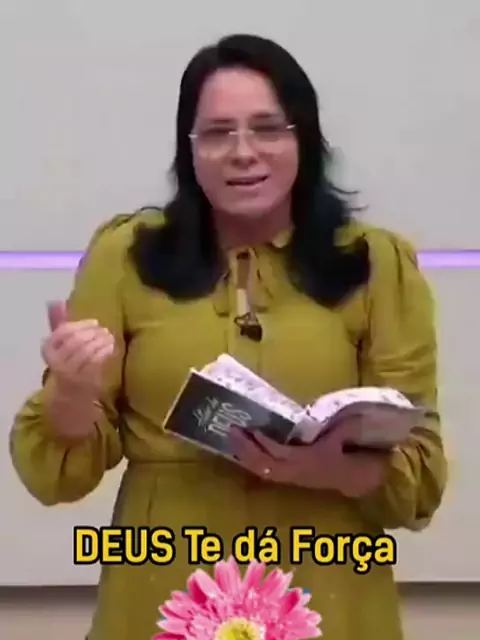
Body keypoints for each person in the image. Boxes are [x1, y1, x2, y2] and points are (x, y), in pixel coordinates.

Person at [9, 33, 447, 640]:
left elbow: (421, 475)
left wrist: (332, 469)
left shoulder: (376, 263)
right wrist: (72, 393)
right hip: (166, 573)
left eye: (267, 129)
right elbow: (57, 477)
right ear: (189, 149)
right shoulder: (126, 256)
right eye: (217, 133)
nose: (243, 152)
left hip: (326, 576)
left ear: (305, 139)